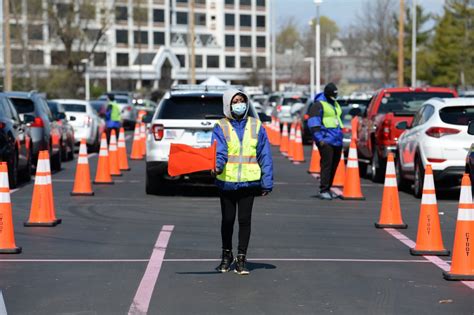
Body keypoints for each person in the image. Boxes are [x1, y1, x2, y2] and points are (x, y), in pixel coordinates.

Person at [211, 88, 273, 275]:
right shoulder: (220, 126)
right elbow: (218, 150)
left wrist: (267, 182)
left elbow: (265, 154)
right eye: (235, 101)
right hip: (227, 182)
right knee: (228, 220)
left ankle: (241, 258)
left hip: (249, 182)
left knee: (245, 220)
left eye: (242, 100)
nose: (239, 104)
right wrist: (218, 166)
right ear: (228, 104)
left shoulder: (256, 126)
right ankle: (226, 255)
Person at [307, 82, 343, 200]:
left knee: (334, 165)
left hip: (337, 139)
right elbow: (313, 122)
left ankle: (329, 188)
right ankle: (324, 189)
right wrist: (320, 139)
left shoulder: (334, 103)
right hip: (326, 140)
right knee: (327, 165)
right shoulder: (318, 105)